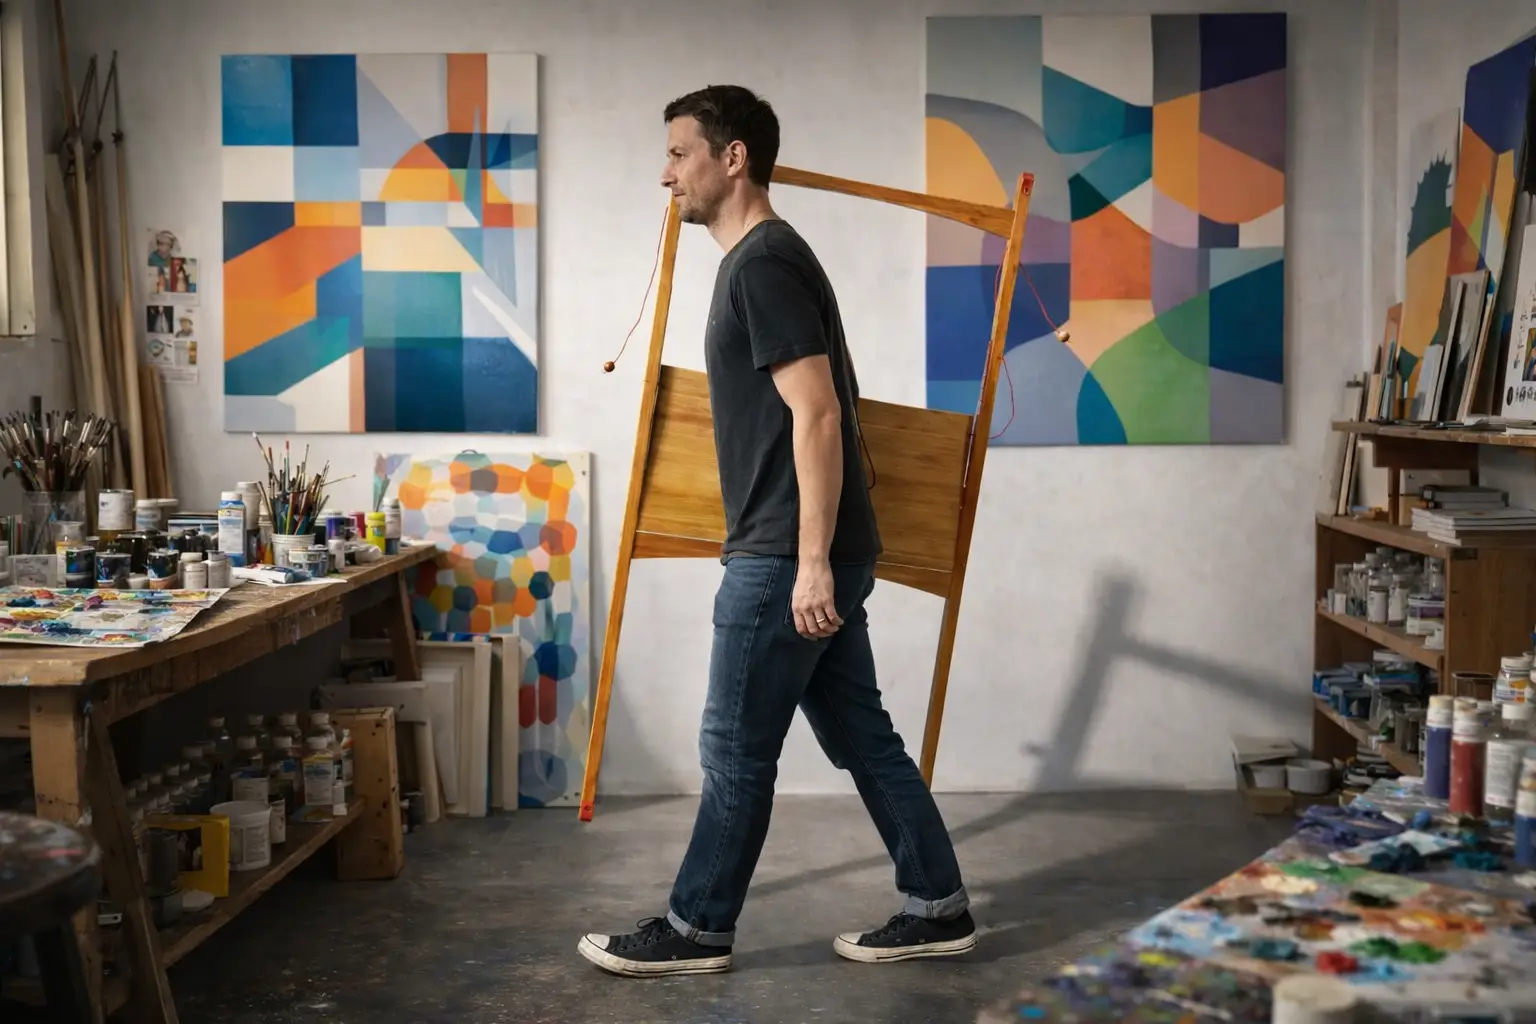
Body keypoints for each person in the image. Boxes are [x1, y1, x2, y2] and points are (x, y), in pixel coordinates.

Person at [578, 84, 976, 978]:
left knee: (734, 747)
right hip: (802, 548)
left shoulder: (762, 263)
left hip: (784, 554)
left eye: (678, 153)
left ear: (733, 158)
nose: (665, 174)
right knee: (862, 737)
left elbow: (820, 414)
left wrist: (810, 565)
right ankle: (938, 905)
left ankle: (696, 929)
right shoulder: (761, 260)